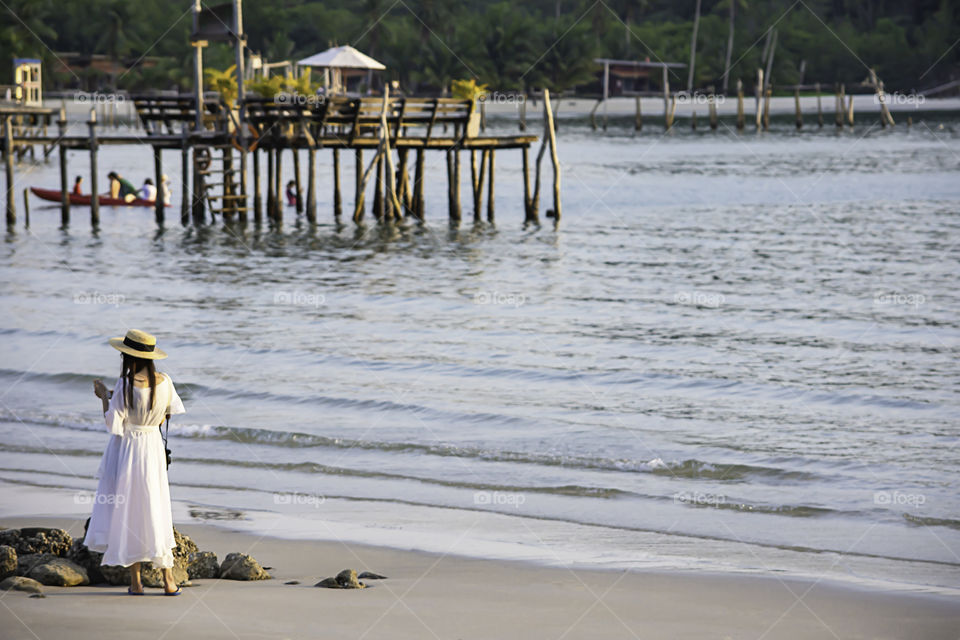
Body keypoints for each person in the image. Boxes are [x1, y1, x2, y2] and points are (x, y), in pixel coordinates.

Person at [86, 329, 186, 595]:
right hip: (152, 447)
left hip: (128, 449)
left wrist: (104, 397)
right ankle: (168, 581)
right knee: (156, 508)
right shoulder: (165, 381)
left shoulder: (125, 384)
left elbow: (113, 424)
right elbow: (165, 415)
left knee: (128, 509)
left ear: (128, 357)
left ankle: (136, 583)